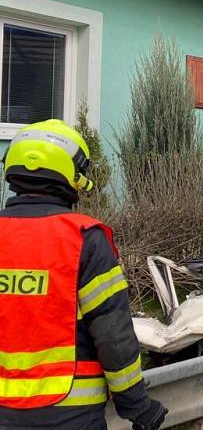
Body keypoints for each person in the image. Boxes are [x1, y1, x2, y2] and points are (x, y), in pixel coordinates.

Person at [0, 119, 167, 430]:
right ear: (70, 174)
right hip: (68, 413)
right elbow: (112, 334)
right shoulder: (84, 240)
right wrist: (137, 407)